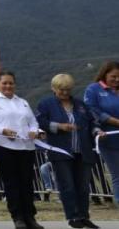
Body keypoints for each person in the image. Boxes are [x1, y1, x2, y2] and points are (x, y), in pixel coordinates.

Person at [37, 73, 100, 229]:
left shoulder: (80, 104)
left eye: (68, 89)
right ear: (54, 88)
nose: (65, 93)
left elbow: (92, 122)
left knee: (84, 186)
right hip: (61, 151)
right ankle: (73, 216)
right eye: (61, 89)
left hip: (82, 150)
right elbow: (40, 122)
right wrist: (58, 126)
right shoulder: (46, 104)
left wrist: (97, 131)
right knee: (68, 185)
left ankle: (84, 216)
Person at [0, 71, 42, 229]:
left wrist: (35, 130)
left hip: (26, 147)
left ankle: (30, 216)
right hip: (5, 147)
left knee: (27, 182)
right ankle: (18, 217)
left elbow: (33, 121)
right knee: (12, 183)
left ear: (14, 84)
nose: (8, 86)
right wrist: (2, 130)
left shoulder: (23, 102)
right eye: (4, 83)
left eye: (11, 83)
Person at [83, 61, 119, 204]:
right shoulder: (93, 89)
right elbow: (91, 109)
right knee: (117, 174)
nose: (117, 80)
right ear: (104, 74)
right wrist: (114, 121)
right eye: (113, 76)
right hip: (107, 139)